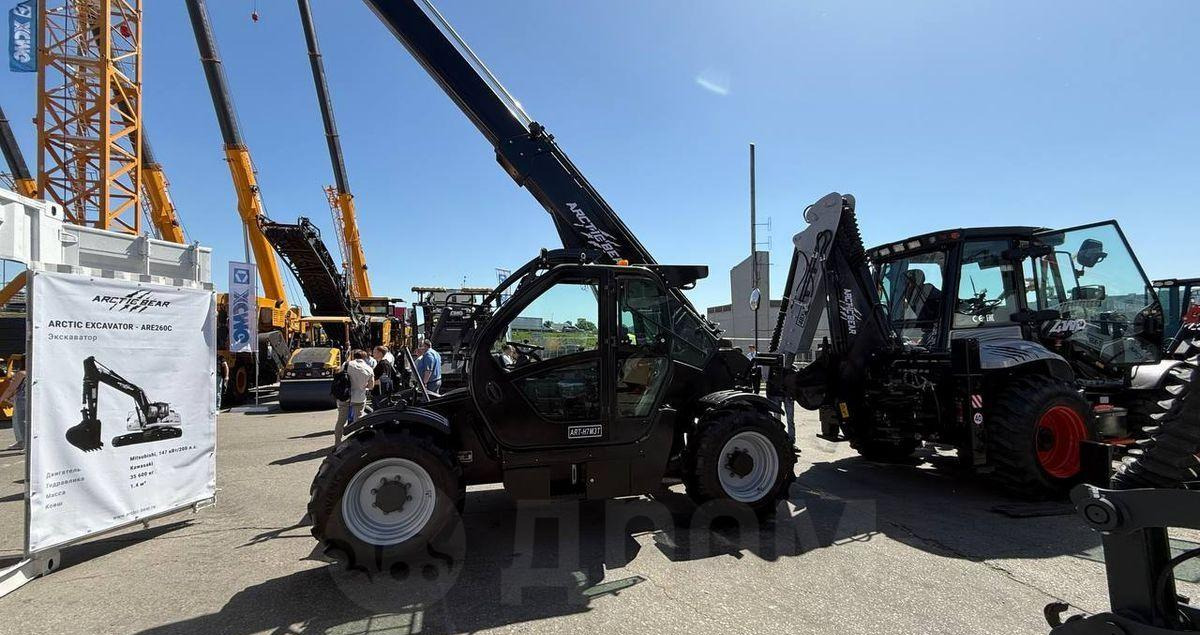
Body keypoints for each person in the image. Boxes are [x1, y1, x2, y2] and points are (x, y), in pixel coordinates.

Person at [334, 349, 375, 444]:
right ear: (365, 358)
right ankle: (357, 442)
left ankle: (337, 443)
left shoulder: (346, 364)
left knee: (341, 421)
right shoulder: (369, 369)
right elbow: (371, 386)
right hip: (359, 398)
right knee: (358, 421)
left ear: (353, 356)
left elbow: (339, 377)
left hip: (345, 396)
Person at [1, 356, 27, 451]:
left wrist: (2, 399)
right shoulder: (36, 373)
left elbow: (11, 389)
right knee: (19, 420)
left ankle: (24, 443)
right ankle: (21, 442)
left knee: (21, 421)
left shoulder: (21, 373)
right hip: (28, 399)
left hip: (22, 399)